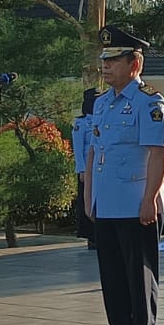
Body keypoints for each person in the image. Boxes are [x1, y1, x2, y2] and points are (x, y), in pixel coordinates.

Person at [83, 25, 164, 325]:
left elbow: (158, 153)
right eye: (103, 59)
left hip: (137, 202)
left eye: (113, 60)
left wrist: (150, 198)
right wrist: (90, 197)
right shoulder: (102, 104)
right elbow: (92, 152)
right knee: (113, 276)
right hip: (107, 201)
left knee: (140, 274)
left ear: (134, 64)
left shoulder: (149, 102)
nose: (105, 66)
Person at [73, 87, 101, 248]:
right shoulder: (81, 123)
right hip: (87, 169)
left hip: (101, 168)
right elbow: (78, 148)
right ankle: (91, 237)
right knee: (87, 202)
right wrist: (81, 170)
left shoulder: (103, 119)